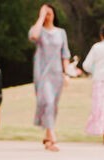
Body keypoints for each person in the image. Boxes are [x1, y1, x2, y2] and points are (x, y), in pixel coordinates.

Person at [29, 4, 71, 152]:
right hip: (42, 73)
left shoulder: (61, 33)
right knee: (48, 102)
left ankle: (47, 138)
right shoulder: (39, 31)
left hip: (56, 73)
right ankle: (52, 137)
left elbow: (65, 54)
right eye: (45, 13)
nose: (48, 16)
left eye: (49, 13)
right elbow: (33, 36)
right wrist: (41, 17)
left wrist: (66, 73)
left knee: (53, 106)